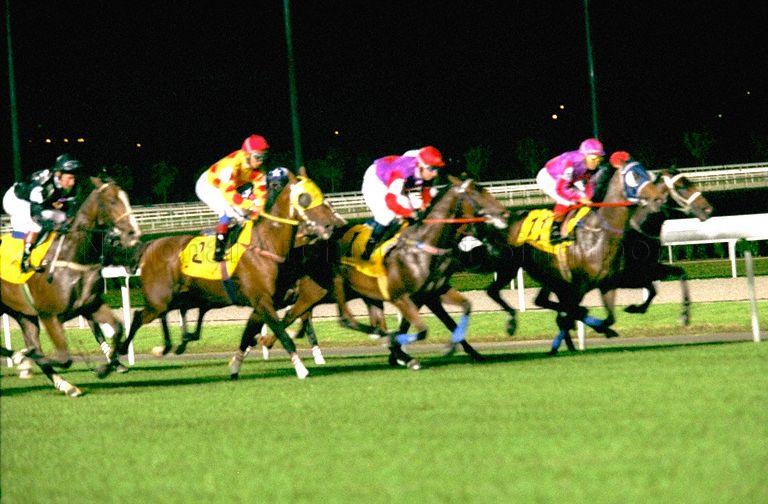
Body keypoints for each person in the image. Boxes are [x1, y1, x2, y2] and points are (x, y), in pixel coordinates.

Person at [360, 146, 444, 260]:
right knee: (386, 215)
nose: (435, 174)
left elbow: (426, 190)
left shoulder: (423, 166)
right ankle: (369, 246)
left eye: (437, 169)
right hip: (376, 179)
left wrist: (424, 204)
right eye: (432, 169)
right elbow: (390, 201)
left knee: (410, 205)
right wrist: (410, 214)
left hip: (393, 174)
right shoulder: (403, 170)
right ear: (420, 166)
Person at [195, 134, 269, 261]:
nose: (260, 161)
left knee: (245, 213)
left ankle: (237, 240)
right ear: (247, 154)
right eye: (257, 157)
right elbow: (228, 193)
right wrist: (250, 205)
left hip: (226, 188)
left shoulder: (259, 171)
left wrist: (256, 212)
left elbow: (261, 194)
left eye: (264, 157)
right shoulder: (231, 164)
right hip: (207, 186)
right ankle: (218, 251)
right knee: (227, 212)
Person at [2, 154, 81, 272]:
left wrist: (61, 207)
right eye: (69, 178)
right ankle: (25, 259)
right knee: (37, 225)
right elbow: (36, 213)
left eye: (74, 178)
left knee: (62, 218)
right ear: (59, 174)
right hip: (15, 200)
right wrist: (50, 224)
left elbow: (65, 205)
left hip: (35, 203)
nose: (72, 182)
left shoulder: (65, 184)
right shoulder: (45, 185)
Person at [536, 138, 604, 244]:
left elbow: (588, 186)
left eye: (599, 159)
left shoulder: (587, 164)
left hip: (565, 180)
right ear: (585, 155)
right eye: (594, 158)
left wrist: (587, 198)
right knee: (567, 200)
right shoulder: (569, 163)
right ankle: (554, 231)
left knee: (580, 197)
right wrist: (581, 198)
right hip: (548, 178)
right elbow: (561, 189)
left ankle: (569, 224)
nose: (596, 162)